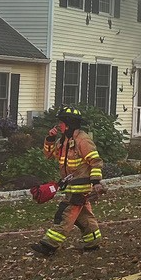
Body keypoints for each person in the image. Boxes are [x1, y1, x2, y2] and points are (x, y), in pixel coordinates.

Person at [31, 106, 103, 256]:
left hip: (80, 189)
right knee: (83, 217)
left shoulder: (83, 140)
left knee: (64, 216)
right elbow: (49, 154)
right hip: (70, 187)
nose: (59, 125)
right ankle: (93, 243)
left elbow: (95, 161)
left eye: (61, 123)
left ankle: (48, 246)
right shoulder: (64, 141)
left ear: (69, 124)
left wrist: (96, 182)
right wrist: (50, 138)